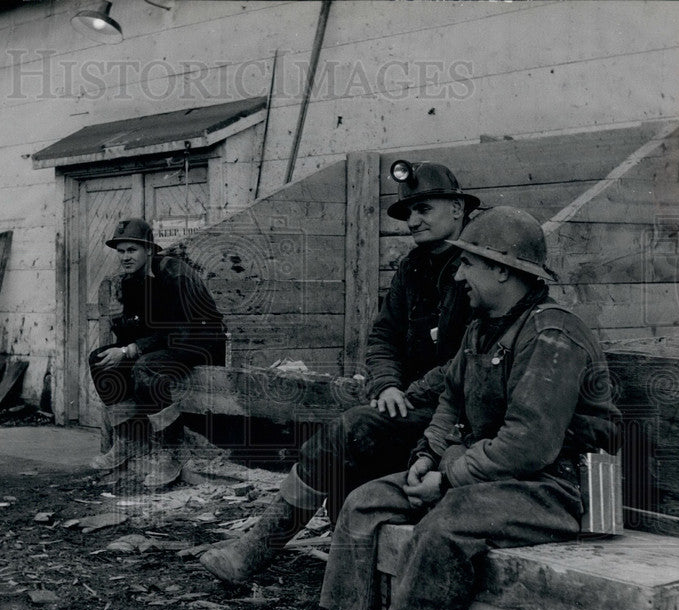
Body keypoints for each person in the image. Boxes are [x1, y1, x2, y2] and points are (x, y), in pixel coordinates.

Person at [284, 206, 621, 610]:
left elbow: (529, 445)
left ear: (503, 270)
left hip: (560, 488)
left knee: (446, 522)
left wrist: (448, 477)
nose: (458, 275)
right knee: (367, 501)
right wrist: (424, 455)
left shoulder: (553, 335)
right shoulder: (484, 330)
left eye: (468, 264)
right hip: (494, 476)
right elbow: (450, 403)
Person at [200, 161, 479, 583]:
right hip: (410, 403)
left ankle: (258, 550)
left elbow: (469, 358)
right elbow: (383, 336)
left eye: (424, 209)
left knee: (349, 431)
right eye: (407, 212)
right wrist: (386, 384)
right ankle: (347, 572)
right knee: (346, 452)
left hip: (457, 412)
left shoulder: (480, 267)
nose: (413, 220)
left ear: (457, 209)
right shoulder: (414, 267)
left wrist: (410, 393)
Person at [88, 217, 226, 488]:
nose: (125, 257)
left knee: (146, 367)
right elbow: (139, 326)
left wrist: (131, 350)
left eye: (132, 250)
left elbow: (185, 328)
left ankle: (173, 452)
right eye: (121, 251)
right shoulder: (131, 280)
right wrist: (123, 346)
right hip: (166, 343)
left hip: (201, 341)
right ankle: (130, 439)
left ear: (149, 249)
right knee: (100, 360)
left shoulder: (175, 274)